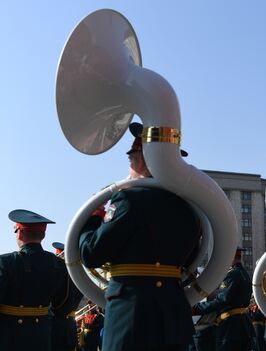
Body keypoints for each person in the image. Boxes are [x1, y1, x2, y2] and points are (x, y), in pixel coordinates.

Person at [79, 122, 201, 351]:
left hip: (131, 313)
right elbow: (190, 258)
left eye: (130, 160)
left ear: (142, 159)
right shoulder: (189, 207)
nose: (129, 168)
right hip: (173, 316)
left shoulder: (128, 199)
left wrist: (93, 219)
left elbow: (91, 254)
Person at [0, 210, 69, 351]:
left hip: (8, 336)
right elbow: (63, 305)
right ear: (43, 235)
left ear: (19, 232)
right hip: (42, 336)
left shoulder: (5, 262)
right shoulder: (59, 264)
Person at [193, 248, 254, 350]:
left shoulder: (231, 274)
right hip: (243, 325)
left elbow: (222, 300)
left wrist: (196, 309)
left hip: (230, 328)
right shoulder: (244, 273)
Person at [51, 242, 84, 351]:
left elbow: (58, 303)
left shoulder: (62, 275)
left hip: (56, 326)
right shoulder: (78, 276)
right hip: (69, 326)